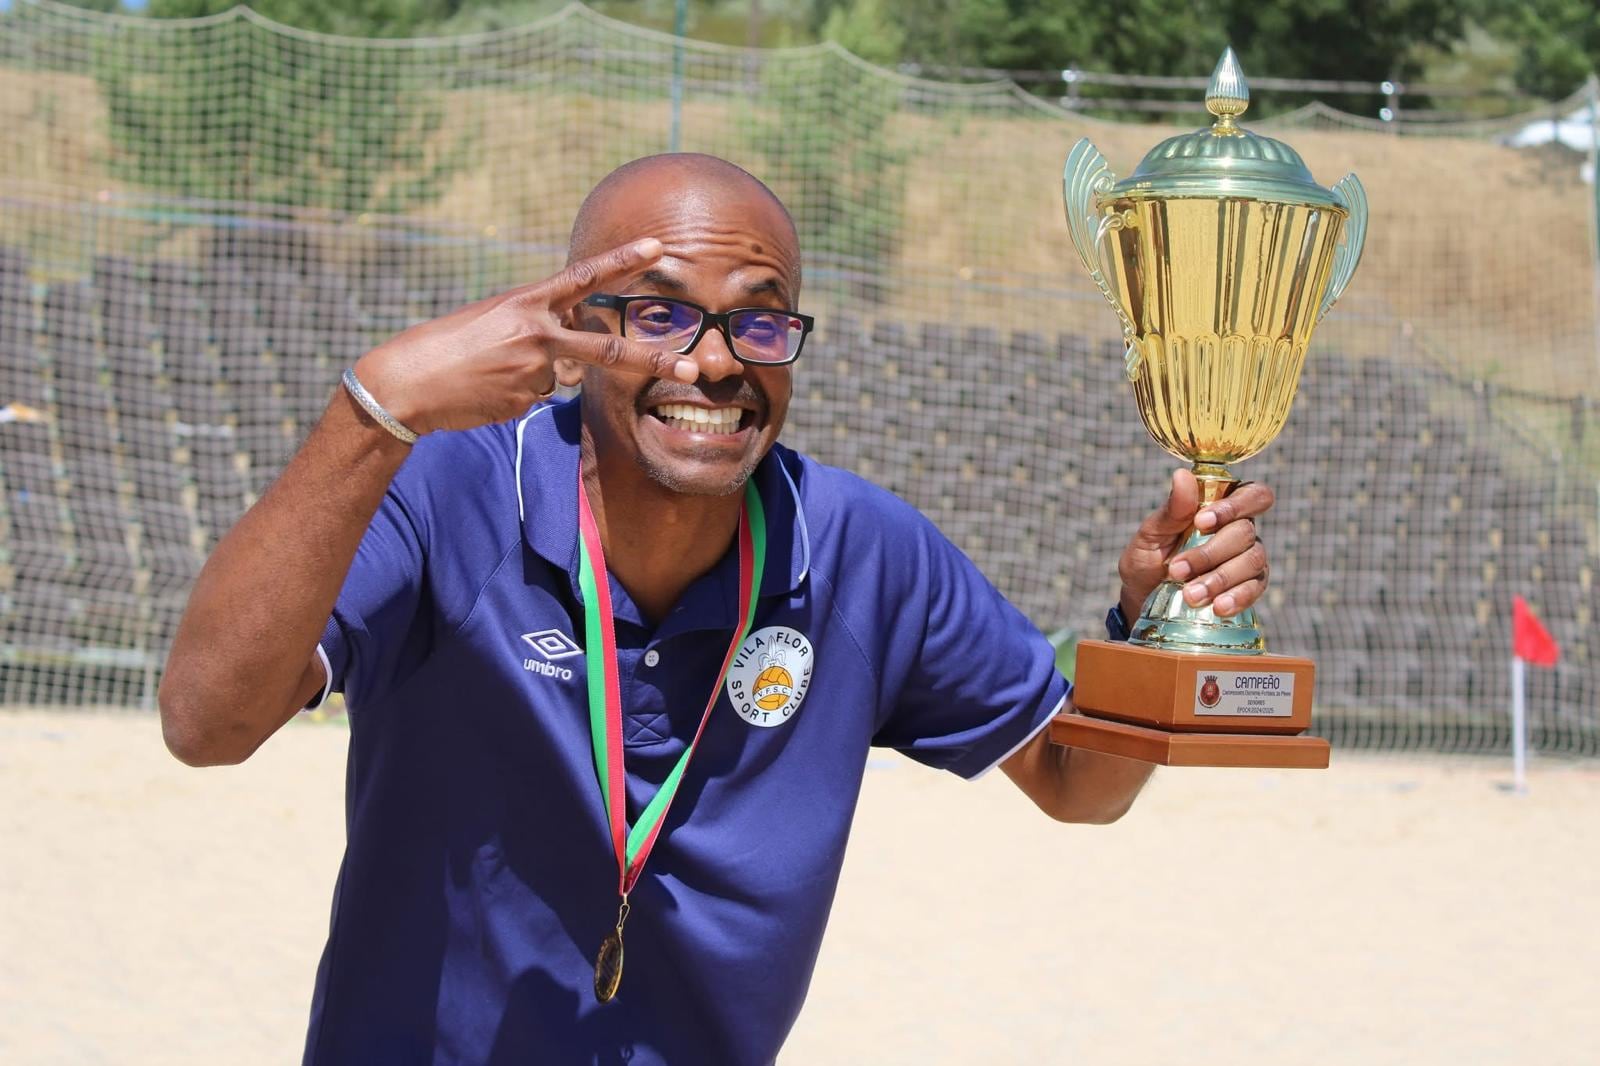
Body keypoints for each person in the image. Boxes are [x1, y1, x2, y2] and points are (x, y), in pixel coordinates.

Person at [160, 153, 1274, 1064]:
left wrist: (1148, 627)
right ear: (573, 322)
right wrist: (379, 406)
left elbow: (1081, 787)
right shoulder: (445, 491)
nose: (711, 364)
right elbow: (207, 724)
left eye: (759, 320)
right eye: (657, 315)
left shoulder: (861, 550)